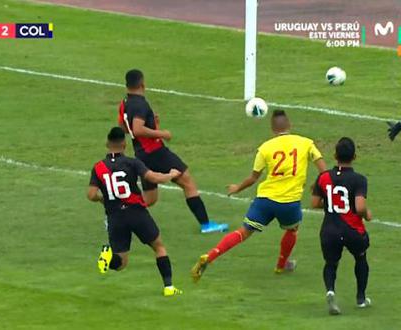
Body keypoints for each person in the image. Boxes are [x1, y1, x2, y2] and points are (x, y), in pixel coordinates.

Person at [191, 110, 327, 282]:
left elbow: (253, 178)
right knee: (292, 230)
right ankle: (280, 265)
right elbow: (323, 170)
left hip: (265, 200)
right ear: (289, 125)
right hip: (289, 202)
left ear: (272, 129)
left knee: (244, 232)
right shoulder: (306, 143)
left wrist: (237, 188)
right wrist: (317, 185)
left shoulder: (265, 148)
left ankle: (209, 256)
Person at [118, 69, 228, 233]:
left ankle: (117, 216)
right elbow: (138, 129)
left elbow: (125, 128)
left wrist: (152, 125)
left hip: (142, 154)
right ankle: (206, 225)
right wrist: (162, 133)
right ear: (142, 84)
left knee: (150, 198)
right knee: (187, 180)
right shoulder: (140, 103)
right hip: (155, 152)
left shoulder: (125, 103)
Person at [87, 127, 182, 297]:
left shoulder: (98, 167)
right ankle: (168, 287)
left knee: (121, 263)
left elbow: (91, 194)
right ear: (124, 144)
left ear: (107, 144)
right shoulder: (132, 163)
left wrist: (103, 199)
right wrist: (170, 174)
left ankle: (107, 257)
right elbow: (152, 178)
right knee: (159, 247)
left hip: (115, 217)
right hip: (136, 213)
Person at [312, 137, 372, 315]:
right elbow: (360, 207)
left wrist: (332, 204)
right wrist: (367, 214)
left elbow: (314, 203)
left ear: (334, 155)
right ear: (354, 156)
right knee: (360, 258)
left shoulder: (323, 177)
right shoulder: (359, 179)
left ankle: (330, 290)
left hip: (329, 230)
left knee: (331, 263)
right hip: (352, 230)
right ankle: (361, 298)